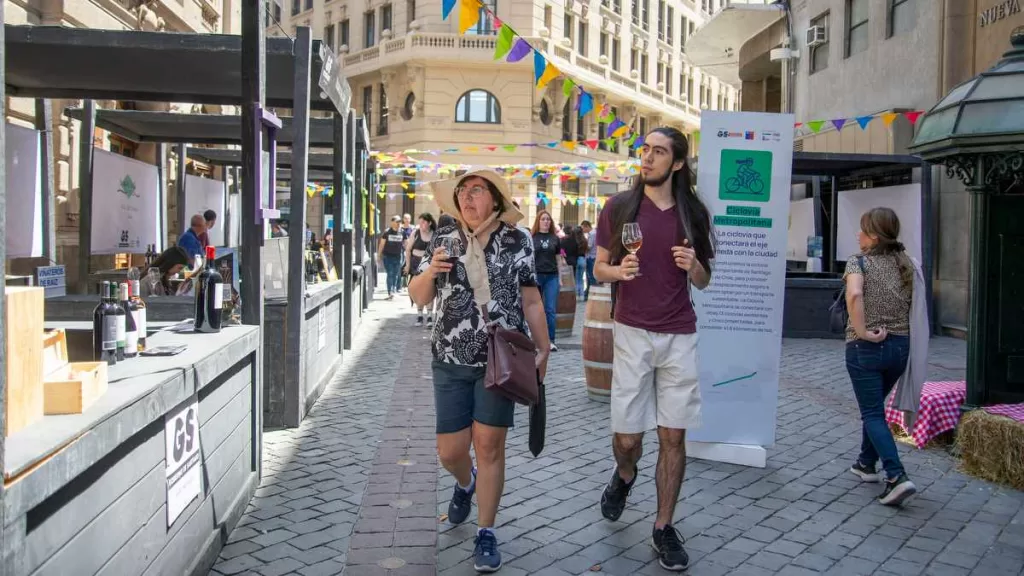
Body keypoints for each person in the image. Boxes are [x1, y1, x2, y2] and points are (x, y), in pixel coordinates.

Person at [409, 169, 550, 574]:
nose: (467, 199)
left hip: (500, 359)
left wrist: (543, 348)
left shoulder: (517, 240)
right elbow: (418, 298)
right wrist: (430, 272)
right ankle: (465, 482)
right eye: (462, 193)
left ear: (495, 200)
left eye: (477, 191)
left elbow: (532, 299)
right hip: (450, 357)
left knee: (489, 446)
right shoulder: (444, 238)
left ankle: (486, 531)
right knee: (449, 451)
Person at [593, 127, 715, 572]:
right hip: (631, 331)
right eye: (644, 150)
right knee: (627, 438)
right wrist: (618, 272)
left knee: (673, 435)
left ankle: (663, 527)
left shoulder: (694, 214)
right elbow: (599, 269)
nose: (646, 158)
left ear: (677, 163)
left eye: (658, 152)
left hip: (681, 332)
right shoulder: (620, 206)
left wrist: (695, 265)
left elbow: (705, 280)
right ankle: (625, 475)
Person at [844, 207, 924, 507]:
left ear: (874, 236)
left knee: (873, 413)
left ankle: (896, 476)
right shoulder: (906, 263)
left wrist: (863, 331)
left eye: (862, 229)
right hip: (900, 348)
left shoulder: (858, 262)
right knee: (875, 406)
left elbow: (854, 295)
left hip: (866, 347)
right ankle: (866, 463)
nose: (857, 234)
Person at [531, 210, 560, 352]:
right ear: (538, 221)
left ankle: (551, 340)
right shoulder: (532, 237)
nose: (546, 221)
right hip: (536, 276)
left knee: (550, 309)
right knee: (536, 310)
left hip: (552, 277)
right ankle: (537, 341)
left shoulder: (555, 238)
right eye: (543, 219)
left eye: (548, 219)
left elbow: (558, 258)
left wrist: (560, 277)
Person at [404, 213, 437, 326]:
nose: (421, 224)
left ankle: (429, 316)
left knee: (429, 289)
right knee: (418, 289)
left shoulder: (434, 234)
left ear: (429, 223)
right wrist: (407, 265)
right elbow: (408, 250)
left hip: (429, 265)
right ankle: (419, 315)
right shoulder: (416, 233)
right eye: (420, 222)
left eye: (423, 222)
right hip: (416, 265)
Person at [377, 215, 405, 299]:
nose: (398, 224)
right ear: (392, 222)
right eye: (397, 222)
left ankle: (393, 290)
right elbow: (382, 244)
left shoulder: (402, 232)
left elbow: (406, 243)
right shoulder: (387, 232)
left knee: (396, 274)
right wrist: (379, 255)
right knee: (390, 273)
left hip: (398, 256)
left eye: (400, 222)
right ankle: (390, 292)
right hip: (388, 256)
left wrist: (408, 252)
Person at [582, 220, 598, 300]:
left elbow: (589, 247)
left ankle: (593, 295)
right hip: (593, 256)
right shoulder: (594, 232)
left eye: (583, 228)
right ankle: (588, 293)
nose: (583, 230)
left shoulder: (592, 234)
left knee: (591, 277)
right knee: (590, 277)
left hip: (591, 257)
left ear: (587, 226)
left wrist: (582, 248)